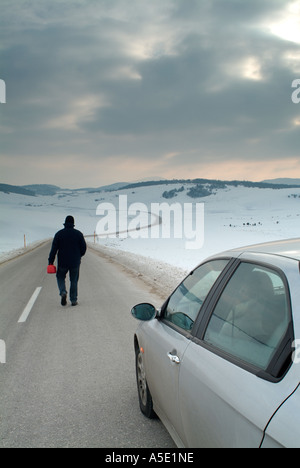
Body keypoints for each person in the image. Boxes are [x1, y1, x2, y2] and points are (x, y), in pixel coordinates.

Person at [48, 216, 87, 307]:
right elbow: (84, 248)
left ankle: (63, 292)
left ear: (65, 223)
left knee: (60, 277)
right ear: (73, 223)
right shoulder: (78, 234)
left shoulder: (59, 234)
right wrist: (78, 255)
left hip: (62, 262)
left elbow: (54, 249)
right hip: (75, 262)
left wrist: (51, 261)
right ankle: (73, 300)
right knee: (73, 280)